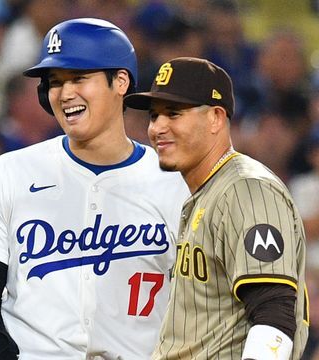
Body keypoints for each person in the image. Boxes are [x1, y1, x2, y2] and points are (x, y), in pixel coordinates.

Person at [0, 18, 189, 359]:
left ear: (121, 81)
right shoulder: (11, 172)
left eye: (79, 78)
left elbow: (204, 302)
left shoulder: (176, 183)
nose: (65, 94)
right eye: (55, 82)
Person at [123, 57, 308, 359]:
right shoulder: (207, 192)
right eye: (154, 116)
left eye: (174, 113)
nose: (157, 127)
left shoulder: (247, 189)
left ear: (216, 118)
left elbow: (274, 315)